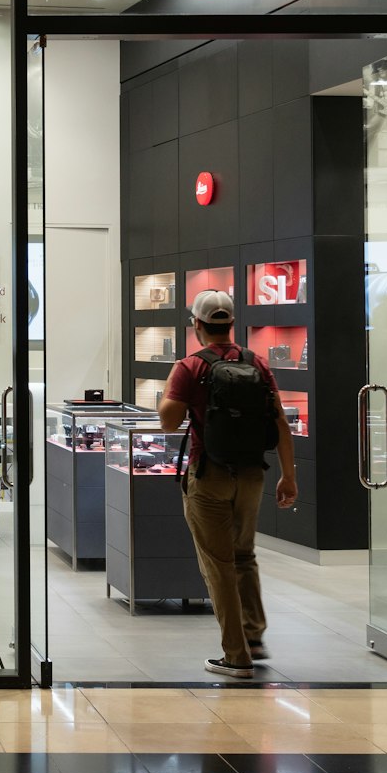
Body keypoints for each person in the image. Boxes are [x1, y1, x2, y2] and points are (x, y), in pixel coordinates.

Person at [158, 289, 297, 680]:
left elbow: (169, 422)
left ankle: (236, 656)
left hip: (209, 474)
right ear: (231, 323)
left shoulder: (189, 367)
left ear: (196, 325)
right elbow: (280, 423)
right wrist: (290, 475)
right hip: (252, 475)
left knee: (217, 566)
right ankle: (253, 635)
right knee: (244, 555)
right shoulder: (258, 363)